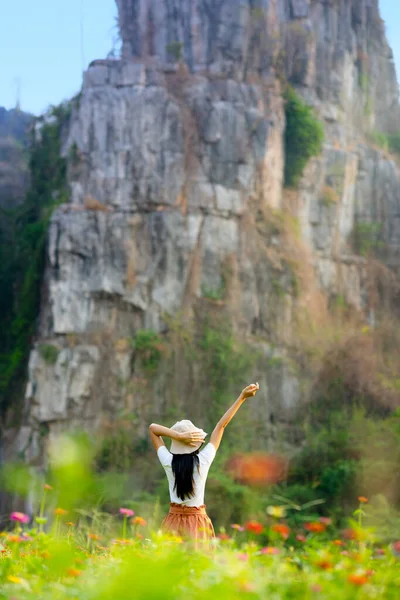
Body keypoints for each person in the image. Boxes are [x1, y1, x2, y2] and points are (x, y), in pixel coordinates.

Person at [149, 382, 260, 542]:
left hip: (172, 522)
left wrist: (178, 436)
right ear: (196, 443)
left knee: (170, 565)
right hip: (197, 523)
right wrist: (242, 397)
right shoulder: (203, 460)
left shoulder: (169, 461)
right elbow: (221, 426)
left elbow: (153, 428)